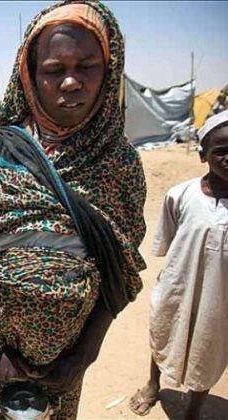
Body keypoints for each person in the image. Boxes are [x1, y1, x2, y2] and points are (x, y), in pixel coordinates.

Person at [0, 1, 147, 419]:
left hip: (62, 370)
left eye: (87, 66)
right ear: (30, 76)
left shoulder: (119, 164)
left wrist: (85, 353)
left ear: (109, 71)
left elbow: (120, 274)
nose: (71, 82)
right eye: (54, 70)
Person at [129, 110, 228, 419]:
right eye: (221, 151)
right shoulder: (180, 195)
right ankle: (153, 384)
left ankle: (193, 409)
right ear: (203, 154)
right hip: (178, 284)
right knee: (164, 332)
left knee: (209, 349)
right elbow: (170, 243)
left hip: (221, 297)